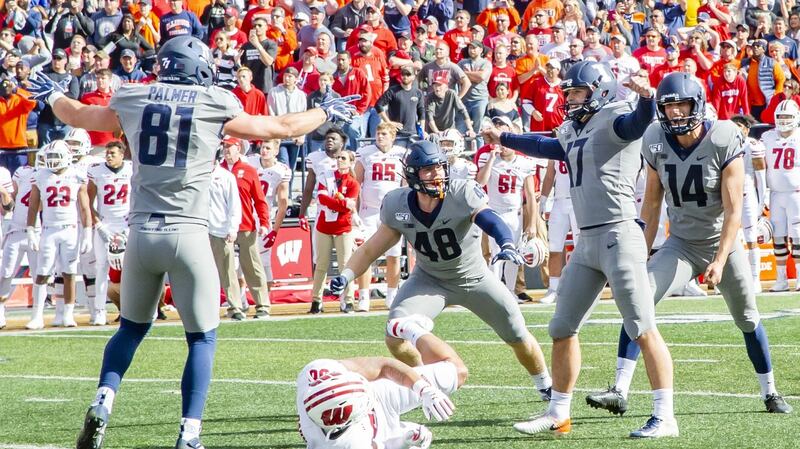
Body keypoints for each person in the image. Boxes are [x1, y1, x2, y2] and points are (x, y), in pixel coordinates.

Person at [24, 35, 359, 449]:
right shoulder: (214, 101)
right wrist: (326, 109)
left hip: (142, 233)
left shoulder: (134, 96)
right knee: (201, 338)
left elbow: (76, 114)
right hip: (189, 233)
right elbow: (281, 127)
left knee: (129, 329)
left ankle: (103, 402)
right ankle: (189, 434)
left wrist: (54, 93)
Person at [483, 60, 676, 437]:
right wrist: (503, 138)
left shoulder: (617, 118)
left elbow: (638, 122)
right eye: (567, 92)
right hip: (587, 241)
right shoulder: (573, 129)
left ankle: (665, 415)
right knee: (561, 326)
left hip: (619, 235)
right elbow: (544, 145)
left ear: (599, 91)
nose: (569, 99)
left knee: (642, 327)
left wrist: (646, 97)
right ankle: (558, 413)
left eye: (576, 92)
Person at [585, 72, 793, 418]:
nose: (676, 113)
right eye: (669, 107)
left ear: (698, 105)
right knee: (639, 297)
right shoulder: (654, 137)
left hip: (719, 242)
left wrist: (721, 258)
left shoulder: (725, 136)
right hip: (680, 244)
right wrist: (640, 254)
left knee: (746, 317)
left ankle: (770, 391)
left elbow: (732, 212)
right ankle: (619, 389)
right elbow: (651, 204)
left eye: (682, 105)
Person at [329, 140, 553, 403]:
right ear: (413, 175)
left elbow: (490, 219)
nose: (437, 175)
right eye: (428, 170)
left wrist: (505, 242)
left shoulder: (461, 192)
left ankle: (545, 385)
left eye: (439, 168)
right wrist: (346, 275)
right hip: (429, 280)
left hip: (474, 278)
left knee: (516, 333)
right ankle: (425, 379)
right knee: (394, 335)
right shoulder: (397, 204)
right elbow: (370, 249)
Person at [297, 316, 466, 448]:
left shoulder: (315, 371)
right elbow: (383, 446)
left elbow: (383, 365)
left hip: (380, 394)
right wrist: (405, 442)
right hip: (375, 429)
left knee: (457, 373)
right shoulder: (346, 445)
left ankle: (406, 327)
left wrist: (424, 389)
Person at [25, 140, 93, 330]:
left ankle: (67, 314)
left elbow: (85, 208)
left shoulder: (77, 176)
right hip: (49, 229)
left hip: (70, 229)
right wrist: (31, 230)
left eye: (56, 157)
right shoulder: (40, 176)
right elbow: (32, 206)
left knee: (70, 272)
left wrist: (87, 232)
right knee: (42, 272)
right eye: (50, 157)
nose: (53, 161)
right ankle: (37, 315)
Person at [354, 122, 406, 311]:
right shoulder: (365, 152)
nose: (380, 136)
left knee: (394, 255)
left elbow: (405, 185)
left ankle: (392, 295)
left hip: (391, 211)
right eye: (378, 133)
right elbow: (356, 183)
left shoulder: (401, 153)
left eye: (384, 133)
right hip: (369, 211)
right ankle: (364, 297)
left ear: (393, 136)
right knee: (366, 254)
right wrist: (355, 212)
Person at [476, 139, 538, 293]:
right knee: (496, 253)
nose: (503, 147)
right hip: (494, 213)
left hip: (515, 214)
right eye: (500, 143)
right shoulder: (488, 158)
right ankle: (495, 293)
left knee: (514, 255)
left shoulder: (524, 163)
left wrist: (532, 223)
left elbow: (530, 196)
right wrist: (491, 158)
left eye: (506, 143)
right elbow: (480, 181)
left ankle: (510, 292)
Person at [311, 141, 360, 313]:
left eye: (343, 158)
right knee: (321, 264)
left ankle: (347, 300)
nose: (339, 160)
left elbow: (350, 206)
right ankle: (316, 300)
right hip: (324, 226)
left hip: (343, 227)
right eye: (338, 157)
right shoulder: (327, 176)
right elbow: (322, 198)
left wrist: (342, 204)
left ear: (350, 162)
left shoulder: (353, 183)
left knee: (345, 265)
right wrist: (341, 202)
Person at [87, 140, 132, 326]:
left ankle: (136, 309)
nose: (109, 156)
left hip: (126, 224)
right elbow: (88, 203)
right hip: (105, 224)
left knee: (132, 267)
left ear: (122, 154)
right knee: (101, 268)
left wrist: (128, 226)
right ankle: (99, 311)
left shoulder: (131, 169)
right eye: (108, 153)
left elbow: (139, 197)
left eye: (113, 153)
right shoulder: (97, 171)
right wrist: (99, 226)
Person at [762, 99, 800, 292]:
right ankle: (781, 278)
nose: (784, 121)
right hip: (776, 194)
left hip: (796, 193)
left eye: (788, 117)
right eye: (781, 117)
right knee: (778, 236)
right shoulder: (767, 137)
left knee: (798, 236)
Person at [246, 139, 290, 288]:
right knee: (241, 258)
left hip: (264, 217)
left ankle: (266, 299)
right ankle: (241, 297)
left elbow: (283, 203)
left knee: (264, 261)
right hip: (245, 213)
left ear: (276, 151)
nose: (264, 150)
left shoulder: (281, 170)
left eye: (268, 148)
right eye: (262, 147)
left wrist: (275, 231)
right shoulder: (249, 161)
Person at [730, 114, 767, 292]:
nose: (737, 129)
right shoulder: (724, 143)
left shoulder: (752, 145)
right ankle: (738, 278)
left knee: (751, 236)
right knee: (731, 238)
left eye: (740, 125)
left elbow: (760, 175)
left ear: (747, 128)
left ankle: (755, 278)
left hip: (747, 193)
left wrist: (762, 199)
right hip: (729, 195)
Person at [537, 157, 578, 305]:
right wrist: (543, 199)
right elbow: (549, 175)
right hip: (559, 201)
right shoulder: (555, 147)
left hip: (578, 199)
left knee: (581, 248)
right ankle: (553, 289)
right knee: (554, 248)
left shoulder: (581, 143)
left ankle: (579, 287)